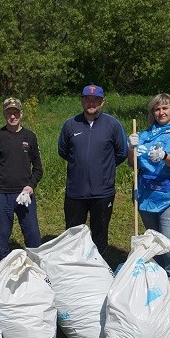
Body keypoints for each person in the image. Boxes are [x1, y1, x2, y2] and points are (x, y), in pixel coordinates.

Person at [127, 93, 170, 283]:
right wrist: (131, 148)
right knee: (152, 237)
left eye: (165, 108)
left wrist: (164, 155)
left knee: (168, 238)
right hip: (146, 192)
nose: (161, 112)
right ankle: (155, 275)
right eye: (157, 109)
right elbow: (132, 164)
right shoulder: (144, 135)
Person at [58, 84, 128, 258]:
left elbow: (121, 153)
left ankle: (100, 269)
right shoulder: (70, 124)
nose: (91, 103)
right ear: (82, 101)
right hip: (75, 192)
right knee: (73, 235)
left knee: (100, 234)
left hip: (102, 192)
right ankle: (73, 268)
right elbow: (64, 151)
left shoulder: (113, 125)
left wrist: (103, 168)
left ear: (102, 102)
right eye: (87, 99)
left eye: (95, 99)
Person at [0, 97, 43, 262]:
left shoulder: (30, 136)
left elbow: (38, 169)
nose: (12, 116)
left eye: (15, 112)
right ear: (4, 114)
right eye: (9, 113)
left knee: (33, 235)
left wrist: (31, 186)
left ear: (21, 113)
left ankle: (36, 267)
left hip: (24, 195)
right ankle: (3, 269)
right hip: (3, 194)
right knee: (2, 237)